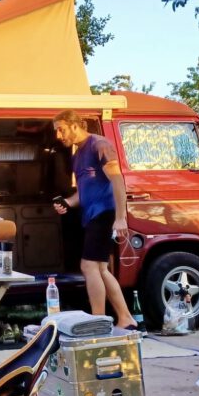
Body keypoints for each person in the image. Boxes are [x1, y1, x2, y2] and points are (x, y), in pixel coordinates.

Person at [52, 110, 136, 329]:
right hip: (91, 216)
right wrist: (67, 203)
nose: (58, 136)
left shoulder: (100, 145)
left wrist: (120, 218)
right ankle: (125, 317)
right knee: (100, 269)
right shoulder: (77, 154)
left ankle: (98, 320)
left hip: (105, 213)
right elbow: (83, 191)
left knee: (88, 266)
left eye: (60, 129)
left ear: (73, 125)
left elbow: (118, 181)